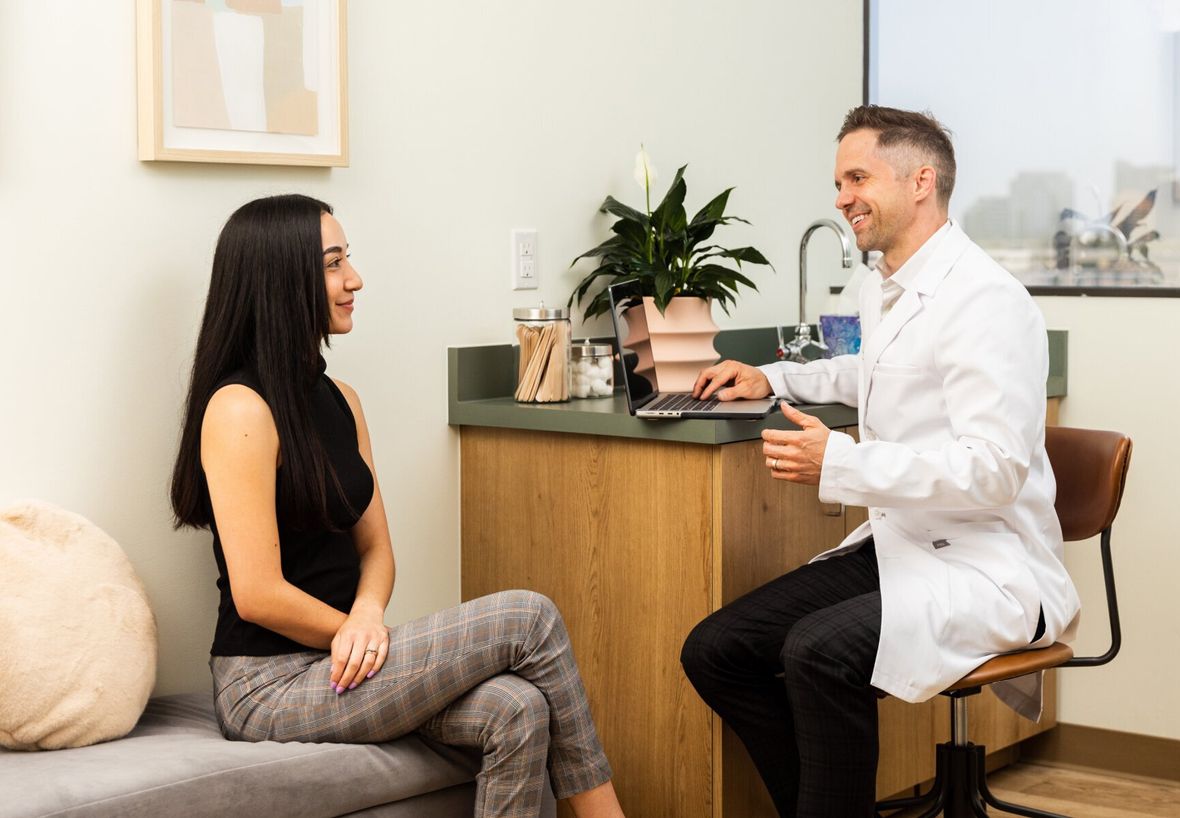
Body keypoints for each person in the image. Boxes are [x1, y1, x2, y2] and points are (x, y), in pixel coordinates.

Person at [679, 106, 1080, 817]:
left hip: (990, 562)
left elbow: (993, 470)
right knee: (718, 650)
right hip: (907, 542)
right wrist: (775, 378)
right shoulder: (883, 284)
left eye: (857, 177)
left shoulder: (988, 302)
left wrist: (845, 460)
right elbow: (875, 369)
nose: (840, 198)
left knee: (817, 653)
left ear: (920, 180)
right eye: (838, 181)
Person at [168, 194, 625, 818]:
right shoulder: (239, 409)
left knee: (518, 708)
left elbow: (376, 549)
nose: (354, 279)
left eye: (346, 259)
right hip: (266, 684)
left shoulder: (342, 400)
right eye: (333, 263)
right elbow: (257, 592)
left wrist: (364, 615)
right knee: (529, 616)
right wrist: (357, 631)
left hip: (341, 655)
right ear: (281, 280)